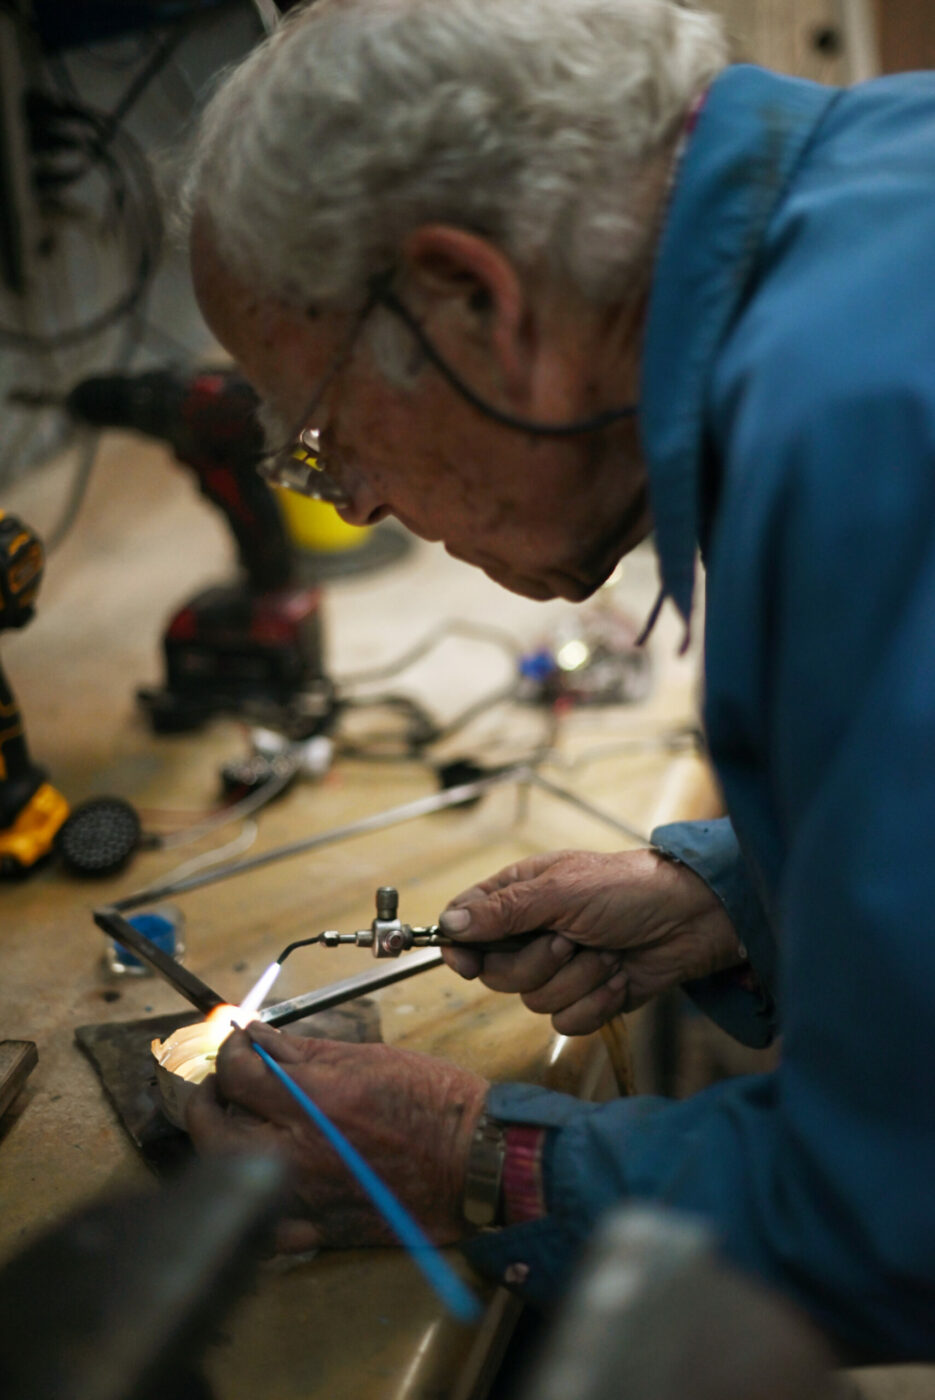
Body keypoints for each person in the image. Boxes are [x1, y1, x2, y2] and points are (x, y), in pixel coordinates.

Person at [183, 0, 935, 1361]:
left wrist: (478, 1158)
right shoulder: (886, 168)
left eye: (319, 436)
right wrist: (741, 893)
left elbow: (907, 1208)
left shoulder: (845, 441)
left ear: (476, 299)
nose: (349, 507)